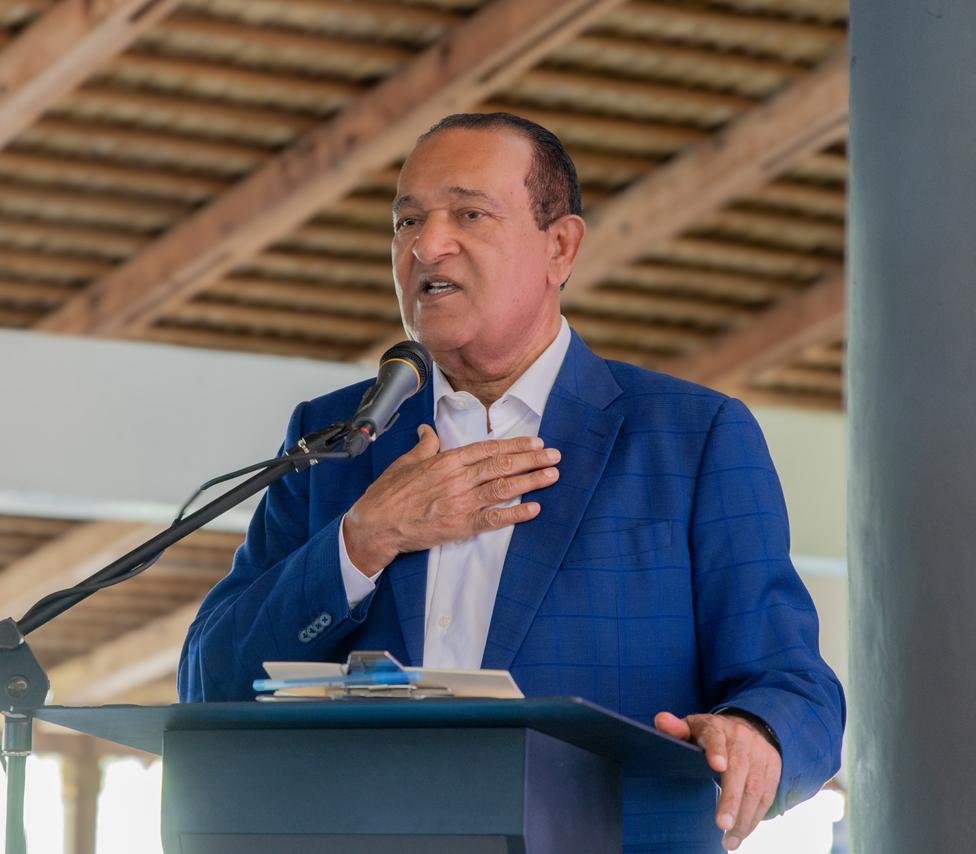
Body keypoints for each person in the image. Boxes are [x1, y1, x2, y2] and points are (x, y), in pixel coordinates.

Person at [178, 112, 845, 852]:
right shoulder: (336, 440)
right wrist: (361, 542)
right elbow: (209, 681)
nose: (427, 245)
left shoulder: (692, 436)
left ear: (560, 247)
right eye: (407, 221)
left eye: (469, 214)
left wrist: (755, 733)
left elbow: (798, 689)